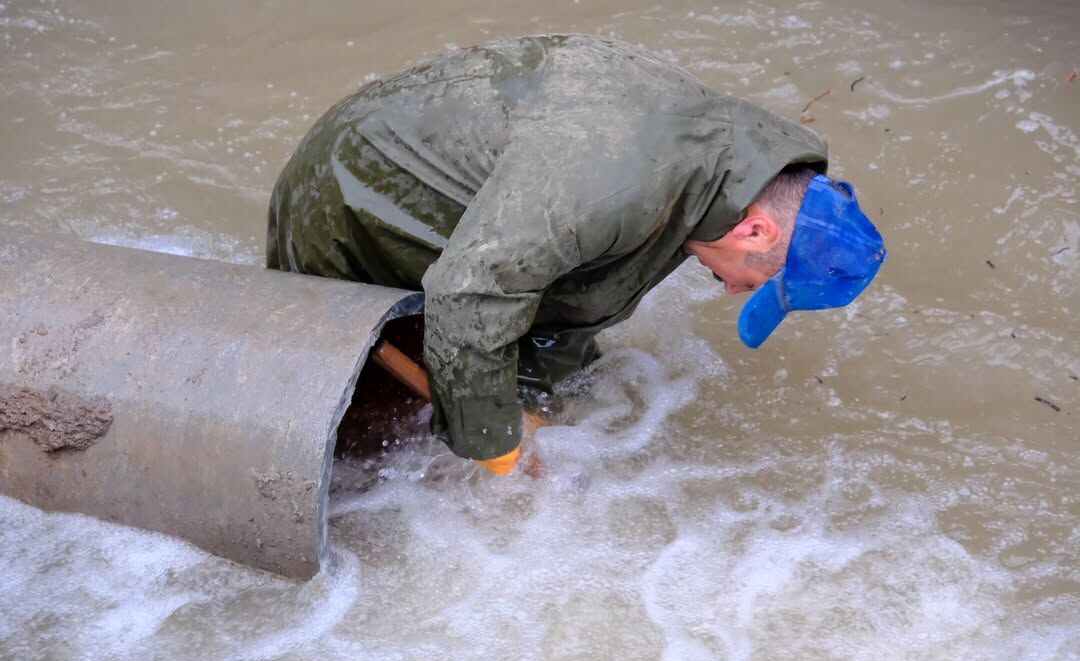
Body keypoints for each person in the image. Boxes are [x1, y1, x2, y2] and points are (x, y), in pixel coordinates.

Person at [266, 34, 886, 474]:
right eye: (752, 283)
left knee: (555, 321)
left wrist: (538, 406)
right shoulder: (613, 187)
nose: (731, 291)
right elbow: (465, 293)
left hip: (484, 180)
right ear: (757, 233)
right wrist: (495, 445)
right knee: (371, 441)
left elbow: (584, 285)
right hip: (354, 196)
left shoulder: (726, 169)